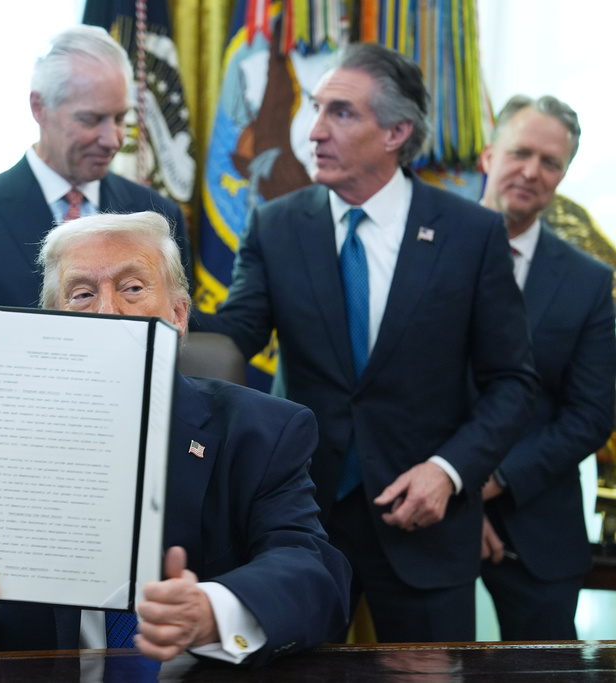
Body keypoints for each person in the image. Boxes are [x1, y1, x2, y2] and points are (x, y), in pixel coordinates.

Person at [194, 42, 539, 642]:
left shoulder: (470, 233)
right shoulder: (276, 223)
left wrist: (449, 471)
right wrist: (153, 312)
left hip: (424, 524)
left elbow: (512, 382)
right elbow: (234, 336)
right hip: (302, 524)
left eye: (340, 113)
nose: (314, 131)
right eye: (315, 108)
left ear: (396, 132)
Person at [0, 211, 351, 667]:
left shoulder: (263, 432)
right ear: (54, 324)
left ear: (178, 316)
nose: (108, 311)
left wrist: (212, 610)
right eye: (82, 295)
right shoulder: (0, 439)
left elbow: (312, 573)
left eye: (133, 288)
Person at [0, 25, 191, 329]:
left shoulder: (155, 215)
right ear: (39, 108)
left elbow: (180, 332)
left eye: (119, 118)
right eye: (91, 119)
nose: (112, 139)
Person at [478, 95, 616, 640]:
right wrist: (453, 488)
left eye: (551, 162)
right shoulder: (423, 244)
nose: (532, 172)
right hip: (417, 513)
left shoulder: (587, 280)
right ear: (490, 155)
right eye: (520, 152)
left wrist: (491, 483)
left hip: (535, 518)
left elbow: (590, 413)